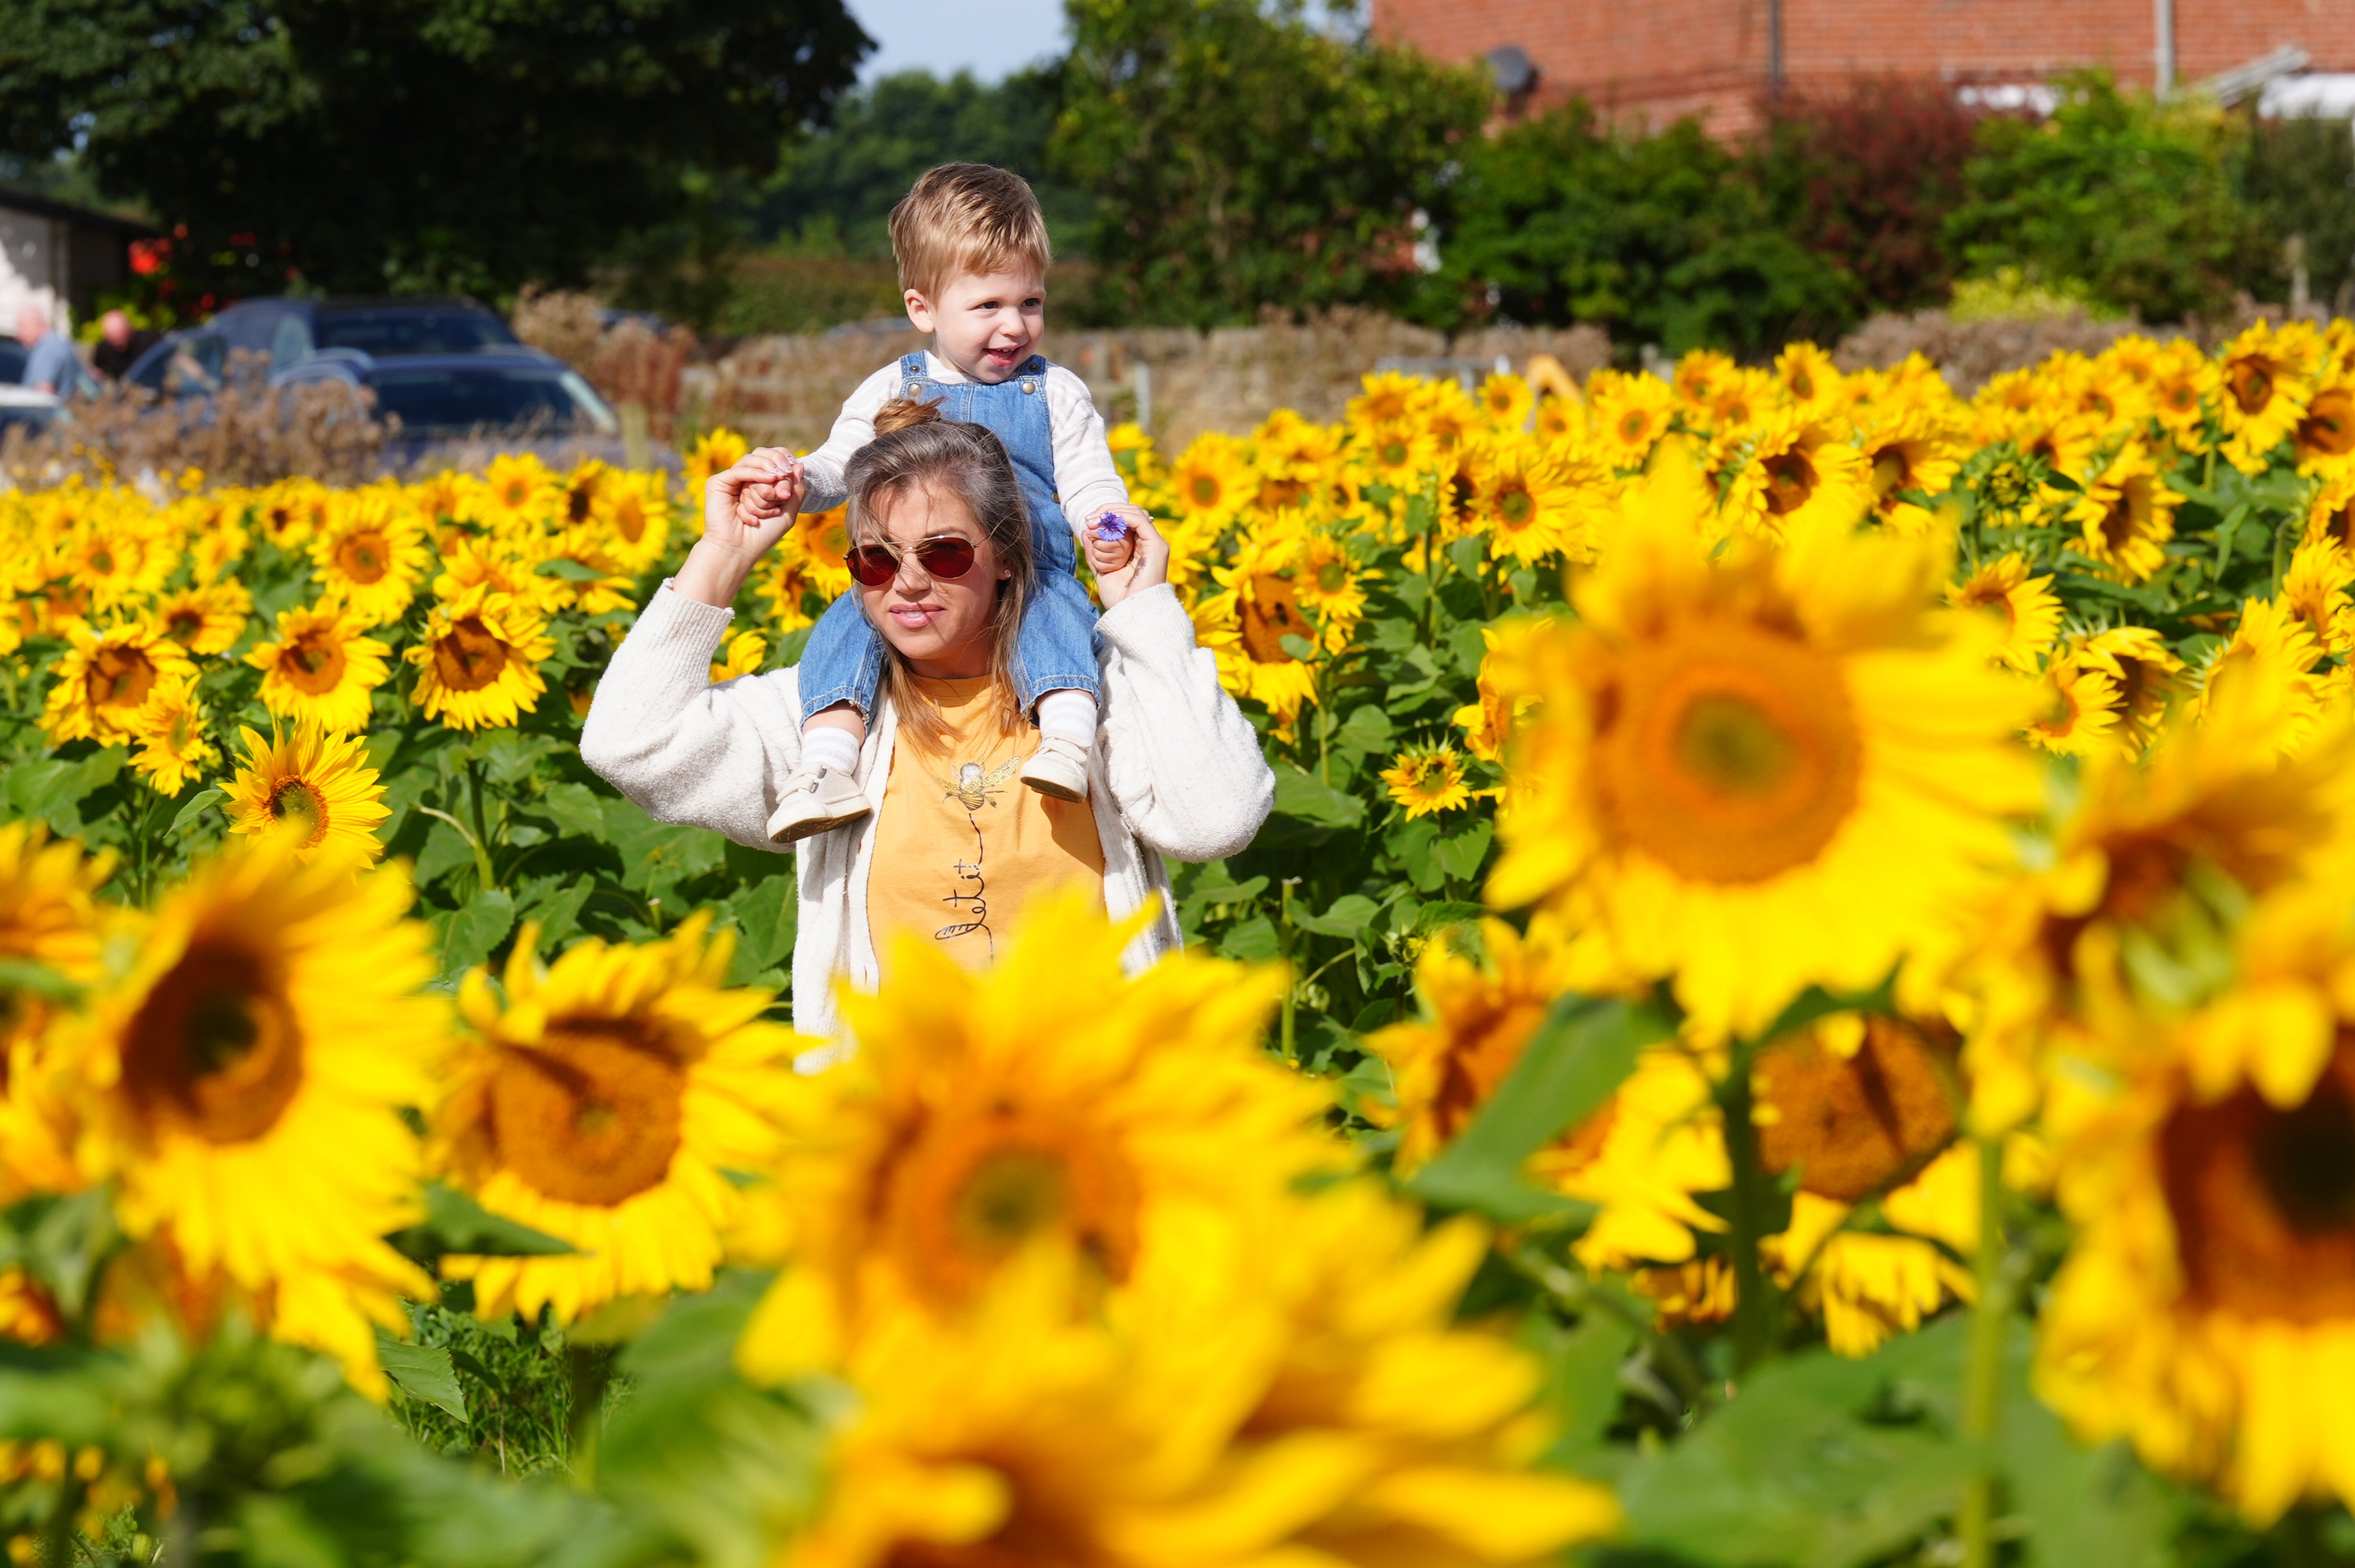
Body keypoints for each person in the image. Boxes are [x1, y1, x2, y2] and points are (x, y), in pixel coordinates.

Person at [580, 399, 1274, 1042]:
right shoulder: (830, 721)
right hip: (902, 1122)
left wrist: (1143, 614)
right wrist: (724, 555)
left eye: (943, 552)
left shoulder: (1094, 698)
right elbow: (630, 742)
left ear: (1005, 557)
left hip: (1094, 1108)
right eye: (875, 560)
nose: (908, 581)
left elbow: (1218, 820)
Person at [739, 163, 1148, 844]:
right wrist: (797, 481)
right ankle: (827, 765)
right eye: (987, 306)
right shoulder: (891, 387)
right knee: (846, 630)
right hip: (914, 577)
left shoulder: (1054, 392)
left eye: (1031, 303)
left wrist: (1106, 523)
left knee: (1059, 614)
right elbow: (843, 461)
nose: (1014, 327)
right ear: (922, 308)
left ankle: (1068, 746)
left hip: (1028, 573)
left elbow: (1087, 479)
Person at [15, 305, 86, 397]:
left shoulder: (47, 349)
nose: (19, 334)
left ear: (36, 324)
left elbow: (43, 391)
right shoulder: (58, 343)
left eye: (21, 327)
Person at [90, 309, 157, 382]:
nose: (119, 344)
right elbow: (97, 372)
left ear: (129, 329)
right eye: (114, 341)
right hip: (126, 389)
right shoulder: (103, 348)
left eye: (122, 337)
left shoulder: (151, 340)